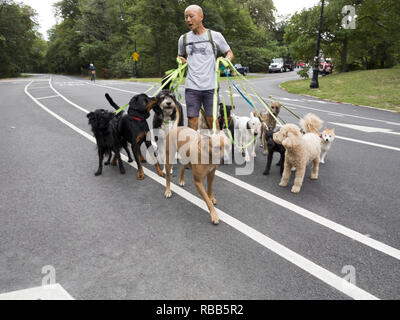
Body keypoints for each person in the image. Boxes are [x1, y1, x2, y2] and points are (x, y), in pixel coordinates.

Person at [178, 4, 234, 130]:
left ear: (201, 17)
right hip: (192, 86)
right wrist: (180, 60)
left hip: (211, 87)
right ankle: (193, 149)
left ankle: (217, 149)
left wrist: (226, 60)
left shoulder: (215, 36)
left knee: (212, 121)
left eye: (191, 16)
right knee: (192, 121)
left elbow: (229, 53)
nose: (188, 20)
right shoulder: (183, 39)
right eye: (185, 17)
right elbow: (180, 56)